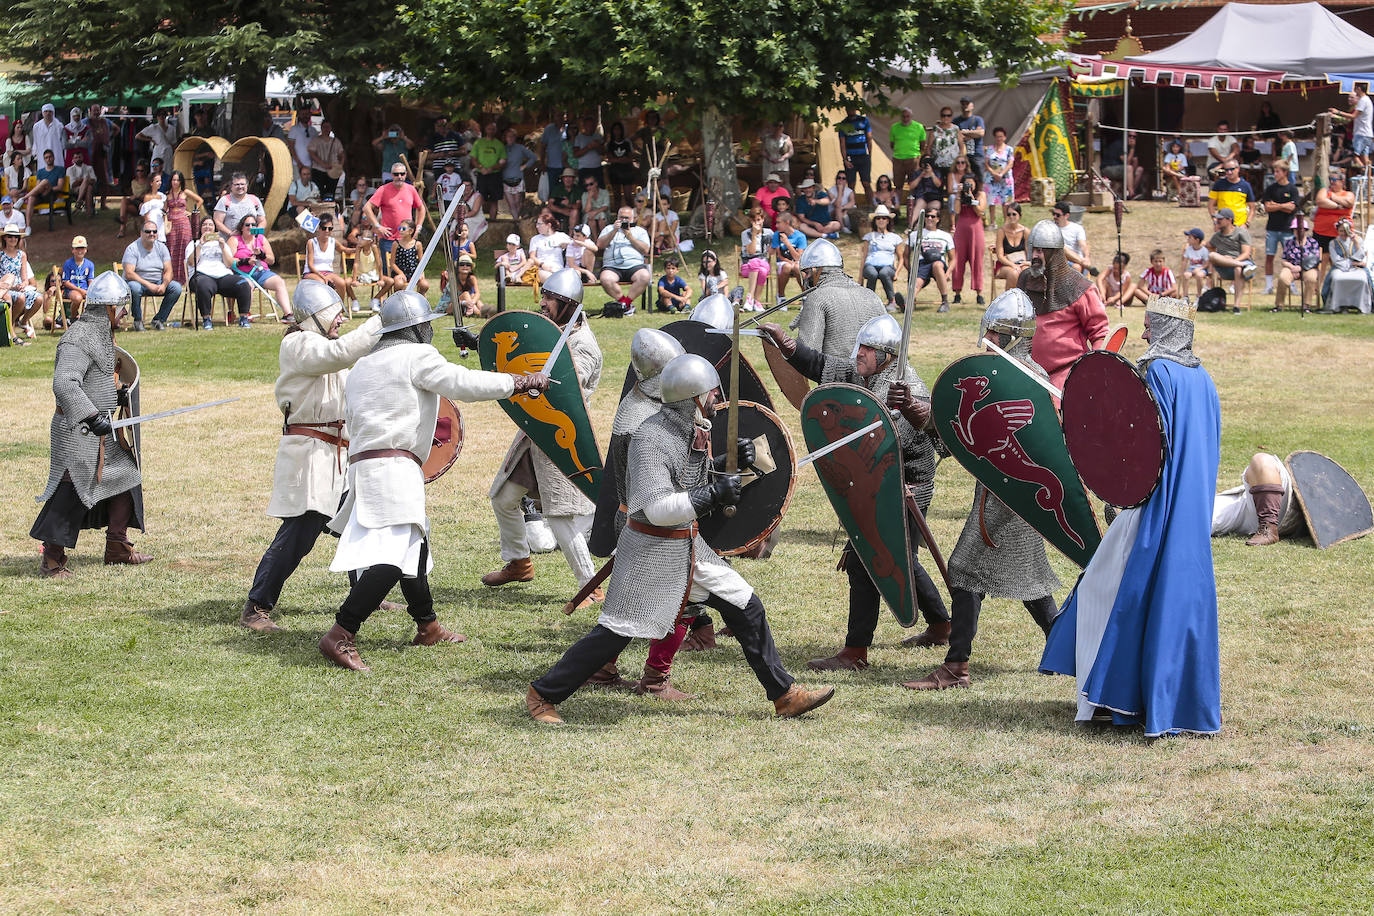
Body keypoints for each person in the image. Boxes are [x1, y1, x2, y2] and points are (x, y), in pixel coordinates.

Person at [524, 352, 835, 724]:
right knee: (616, 634)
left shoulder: (690, 429)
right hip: (651, 550)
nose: (717, 401)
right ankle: (542, 694)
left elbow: (689, 480)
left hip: (688, 546)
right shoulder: (650, 438)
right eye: (712, 394)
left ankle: (784, 695)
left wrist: (730, 460)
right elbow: (657, 507)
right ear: (693, 396)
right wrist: (714, 495)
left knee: (745, 605)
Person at [321, 291, 550, 671]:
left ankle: (427, 626)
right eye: (426, 324)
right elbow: (463, 383)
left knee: (414, 547)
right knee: (394, 557)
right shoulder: (416, 356)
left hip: (366, 466)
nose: (430, 331)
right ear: (415, 328)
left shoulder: (362, 365)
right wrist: (518, 382)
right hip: (393, 467)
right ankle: (341, 632)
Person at [1040, 294, 1222, 737]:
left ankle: (1109, 699)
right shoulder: (1206, 382)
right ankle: (1148, 700)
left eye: (1149, 326)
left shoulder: (1159, 372)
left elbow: (1143, 447)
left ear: (1165, 329)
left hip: (1153, 509)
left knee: (1106, 589)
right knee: (1173, 600)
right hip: (1187, 512)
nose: (1142, 334)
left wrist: (1122, 491)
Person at [761, 315, 952, 666]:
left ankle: (856, 651)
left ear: (889, 355)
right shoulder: (862, 372)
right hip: (877, 483)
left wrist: (907, 407)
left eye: (868, 349)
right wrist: (786, 345)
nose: (859, 354)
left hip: (906, 487)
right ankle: (941, 625)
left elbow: (907, 440)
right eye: (860, 346)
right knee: (900, 561)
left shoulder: (908, 387)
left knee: (867, 561)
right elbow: (821, 365)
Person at [903, 291, 1061, 690]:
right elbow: (962, 434)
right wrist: (915, 412)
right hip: (1003, 489)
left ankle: (957, 666)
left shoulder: (1024, 379)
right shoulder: (1002, 374)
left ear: (1009, 334)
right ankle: (1066, 649)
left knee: (965, 569)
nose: (986, 334)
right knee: (1030, 577)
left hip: (1009, 495)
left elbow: (1032, 442)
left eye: (993, 329)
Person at [240, 282, 385, 632]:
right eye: (335, 315)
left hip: (337, 454)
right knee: (300, 531)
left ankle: (366, 594)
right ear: (317, 316)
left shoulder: (325, 346)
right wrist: (381, 319)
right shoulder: (299, 344)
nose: (341, 321)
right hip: (311, 454)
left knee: (360, 522)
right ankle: (256, 606)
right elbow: (343, 353)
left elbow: (349, 365)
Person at [481, 270, 603, 599]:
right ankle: (519, 563)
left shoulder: (583, 346)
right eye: (544, 296)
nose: (543, 303)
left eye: (550, 298)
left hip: (562, 435)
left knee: (561, 515)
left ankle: (590, 587)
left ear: (567, 305)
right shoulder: (551, 332)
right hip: (534, 433)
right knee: (504, 498)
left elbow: (563, 387)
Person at [30, 272, 152, 576]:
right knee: (73, 487)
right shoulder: (78, 337)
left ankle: (117, 546)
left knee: (127, 473)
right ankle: (52, 559)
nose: (125, 313)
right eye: (122, 307)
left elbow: (95, 380)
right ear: (108, 307)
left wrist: (118, 394)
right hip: (77, 429)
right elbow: (65, 384)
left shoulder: (102, 335)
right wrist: (91, 415)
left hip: (98, 429)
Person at [1017, 219, 1108, 392]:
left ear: (1055, 253)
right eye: (1034, 249)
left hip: (1067, 374)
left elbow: (1100, 334)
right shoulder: (1024, 280)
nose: (1036, 255)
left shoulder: (1079, 287)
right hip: (1028, 372)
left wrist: (1093, 370)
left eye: (1042, 250)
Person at [1212, 454, 1304, 548]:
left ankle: (1268, 525)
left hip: (1283, 498)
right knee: (1200, 518)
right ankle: (1268, 526)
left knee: (1262, 461)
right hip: (1256, 505)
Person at [184, 223, 251, 329]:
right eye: (204, 225)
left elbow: (229, 264)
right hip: (202, 275)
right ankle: (206, 319)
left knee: (243, 284)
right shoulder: (194, 243)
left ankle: (243, 318)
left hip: (222, 276)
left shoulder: (221, 243)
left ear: (214, 229)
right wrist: (200, 245)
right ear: (200, 228)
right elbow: (191, 263)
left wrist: (223, 247)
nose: (207, 227)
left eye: (210, 225)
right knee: (203, 286)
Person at [365, 163, 426, 276]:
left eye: (402, 174)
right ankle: (389, 293)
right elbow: (367, 208)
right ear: (392, 175)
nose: (399, 176)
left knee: (409, 272)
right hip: (389, 238)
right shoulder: (383, 190)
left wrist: (419, 226)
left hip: (407, 239)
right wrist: (378, 226)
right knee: (388, 273)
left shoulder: (411, 189)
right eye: (396, 174)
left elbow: (421, 209)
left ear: (406, 174)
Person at [229, 215, 292, 322]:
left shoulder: (261, 239)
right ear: (242, 227)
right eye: (247, 225)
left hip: (261, 272)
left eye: (253, 225)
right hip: (242, 274)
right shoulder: (234, 240)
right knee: (247, 285)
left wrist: (262, 255)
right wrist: (245, 261)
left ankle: (288, 314)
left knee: (279, 282)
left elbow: (272, 260)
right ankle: (246, 313)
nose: (250, 227)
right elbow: (228, 260)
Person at [121, 220, 181, 332]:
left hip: (157, 282)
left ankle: (158, 320)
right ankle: (138, 321)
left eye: (154, 231)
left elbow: (169, 271)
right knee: (134, 287)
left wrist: (164, 284)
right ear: (141, 233)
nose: (152, 234)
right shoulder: (132, 248)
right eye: (148, 231)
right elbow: (129, 273)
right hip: (138, 283)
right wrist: (149, 285)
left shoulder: (162, 248)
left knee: (176, 288)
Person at [597, 206, 652, 311]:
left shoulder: (640, 231)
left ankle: (625, 304)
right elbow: (600, 245)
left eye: (627, 218)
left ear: (633, 218)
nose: (624, 220)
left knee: (644, 276)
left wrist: (629, 235)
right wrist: (614, 231)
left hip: (634, 266)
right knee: (605, 279)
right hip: (612, 266)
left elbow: (645, 250)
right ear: (617, 217)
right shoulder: (609, 229)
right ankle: (624, 303)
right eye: (621, 217)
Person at [1256, 161, 1299, 294]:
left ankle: (1291, 285)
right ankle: (1268, 286)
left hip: (1287, 229)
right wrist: (1283, 205)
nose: (1275, 174)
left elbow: (1292, 208)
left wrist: (1277, 205)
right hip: (1272, 228)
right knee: (1269, 256)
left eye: (1278, 171)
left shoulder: (1292, 189)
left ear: (1285, 172)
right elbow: (1267, 207)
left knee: (1290, 257)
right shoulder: (1271, 189)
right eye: (1274, 171)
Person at [904, 204, 955, 311]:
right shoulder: (915, 235)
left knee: (937, 265)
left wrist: (948, 273)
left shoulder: (946, 236)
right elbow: (905, 255)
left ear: (938, 219)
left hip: (938, 263)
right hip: (922, 263)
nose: (929, 219)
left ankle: (945, 302)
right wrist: (910, 271)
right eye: (927, 216)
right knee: (916, 284)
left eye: (932, 216)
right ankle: (908, 304)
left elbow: (953, 258)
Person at [949, 171, 987, 306]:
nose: (969, 185)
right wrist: (960, 195)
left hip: (976, 230)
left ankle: (979, 293)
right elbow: (957, 211)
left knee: (977, 261)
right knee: (958, 260)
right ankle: (957, 293)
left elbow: (979, 211)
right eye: (967, 183)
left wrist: (971, 196)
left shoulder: (980, 194)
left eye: (971, 183)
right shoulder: (959, 196)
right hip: (961, 229)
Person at [1207, 207, 1255, 307]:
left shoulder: (1241, 232)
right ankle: (1242, 265)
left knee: (1238, 269)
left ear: (1229, 220)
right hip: (1226, 268)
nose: (1217, 221)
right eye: (1217, 219)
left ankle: (1236, 307)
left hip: (1243, 266)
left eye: (1220, 219)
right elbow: (1207, 245)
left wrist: (1234, 260)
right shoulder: (1217, 236)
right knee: (1212, 255)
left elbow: (1246, 254)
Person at [1321, 218, 1370, 314]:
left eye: (1345, 230)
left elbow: (1361, 257)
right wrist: (1351, 263)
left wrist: (1356, 243)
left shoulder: (1358, 240)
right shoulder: (1333, 243)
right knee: (1336, 278)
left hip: (1357, 268)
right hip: (1340, 267)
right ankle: (1339, 306)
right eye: (1341, 231)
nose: (1343, 233)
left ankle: (1362, 306)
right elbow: (1336, 260)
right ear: (1337, 231)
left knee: (1363, 279)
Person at [1313, 168, 1355, 275]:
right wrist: (1338, 207)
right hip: (1322, 232)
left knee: (1340, 263)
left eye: (1334, 179)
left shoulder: (1348, 194)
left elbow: (1349, 203)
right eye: (1330, 179)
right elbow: (1320, 201)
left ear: (1342, 181)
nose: (1331, 182)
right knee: (1321, 262)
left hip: (1341, 234)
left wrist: (1332, 197)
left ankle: (1340, 286)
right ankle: (1318, 288)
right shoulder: (1324, 191)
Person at [163, 172, 201, 287]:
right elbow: (164, 210)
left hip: (183, 223)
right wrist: (165, 221)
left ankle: (185, 277)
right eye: (173, 180)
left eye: (177, 180)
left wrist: (192, 211)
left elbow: (199, 200)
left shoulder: (185, 192)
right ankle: (171, 276)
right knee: (172, 248)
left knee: (184, 247)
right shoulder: (167, 194)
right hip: (171, 223)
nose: (175, 182)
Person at [860, 205, 902, 310]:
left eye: (884, 218)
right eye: (878, 218)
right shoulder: (869, 237)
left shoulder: (895, 238)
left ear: (888, 221)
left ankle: (891, 301)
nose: (881, 220)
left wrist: (897, 273)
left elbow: (901, 258)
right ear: (875, 221)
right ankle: (869, 302)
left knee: (884, 273)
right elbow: (864, 257)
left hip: (887, 266)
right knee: (872, 274)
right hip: (870, 264)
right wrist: (860, 276)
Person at [1274, 216, 1320, 311]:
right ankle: (1279, 305)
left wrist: (1301, 268)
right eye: (1295, 229)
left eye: (1301, 229)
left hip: (1308, 268)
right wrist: (1291, 267)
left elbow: (1315, 259)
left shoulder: (1313, 242)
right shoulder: (1288, 243)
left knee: (1311, 278)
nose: (1298, 231)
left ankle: (1306, 305)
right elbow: (1283, 260)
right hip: (1291, 267)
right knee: (1282, 278)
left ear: (1305, 230)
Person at [1, 224, 39, 336]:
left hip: (19, 286)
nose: (13, 239)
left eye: (16, 237)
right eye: (10, 236)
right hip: (5, 287)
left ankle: (22, 322)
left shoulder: (22, 255)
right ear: (4, 238)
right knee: (21, 298)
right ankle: (11, 324)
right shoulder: (0, 254)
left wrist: (23, 284)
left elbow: (25, 278)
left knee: (39, 298)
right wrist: (12, 286)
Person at [304, 216, 352, 300]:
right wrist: (322, 276)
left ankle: (339, 309)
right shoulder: (311, 242)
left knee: (341, 283)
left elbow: (344, 250)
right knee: (321, 282)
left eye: (330, 229)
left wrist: (359, 248)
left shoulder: (333, 241)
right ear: (319, 229)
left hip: (328, 272)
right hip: (312, 272)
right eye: (324, 228)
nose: (327, 231)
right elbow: (310, 265)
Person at [1329, 87, 1373, 170]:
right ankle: (1369, 177)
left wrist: (1337, 112)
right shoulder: (1367, 100)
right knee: (1365, 158)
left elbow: (1352, 117)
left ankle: (1365, 173)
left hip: (1361, 133)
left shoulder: (1362, 101)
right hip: (1366, 133)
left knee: (1355, 156)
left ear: (1359, 89)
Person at [837, 105, 874, 201]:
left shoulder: (864, 120)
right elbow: (842, 143)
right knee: (851, 184)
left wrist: (869, 154)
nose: (850, 110)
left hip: (863, 155)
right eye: (848, 108)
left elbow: (869, 138)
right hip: (851, 157)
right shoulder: (843, 124)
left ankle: (871, 205)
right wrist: (845, 159)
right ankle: (852, 206)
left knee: (866, 183)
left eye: (852, 108)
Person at [212, 172, 266, 238]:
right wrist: (230, 233)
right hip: (229, 242)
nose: (240, 187)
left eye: (242, 184)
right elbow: (217, 222)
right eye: (237, 184)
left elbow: (262, 221)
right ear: (231, 186)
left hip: (250, 243)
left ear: (247, 185)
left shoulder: (255, 200)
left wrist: (256, 233)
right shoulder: (224, 201)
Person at [19, 148, 65, 225]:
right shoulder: (40, 171)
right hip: (40, 195)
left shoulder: (60, 169)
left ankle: (23, 198)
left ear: (53, 157)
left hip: (51, 194)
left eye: (50, 157)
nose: (48, 159)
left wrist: (47, 187)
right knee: (31, 198)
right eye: (46, 158)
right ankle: (28, 226)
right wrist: (42, 189)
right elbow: (38, 186)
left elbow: (60, 187)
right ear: (44, 160)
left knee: (45, 181)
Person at [739, 208, 773, 309]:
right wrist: (754, 234)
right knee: (757, 266)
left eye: (758, 220)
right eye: (754, 221)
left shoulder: (769, 233)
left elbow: (772, 250)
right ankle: (755, 301)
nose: (756, 223)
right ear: (751, 221)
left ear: (763, 219)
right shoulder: (745, 234)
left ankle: (750, 299)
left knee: (759, 265)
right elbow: (751, 251)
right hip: (747, 266)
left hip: (763, 262)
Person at [889, 108, 926, 199]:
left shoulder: (919, 127)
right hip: (898, 159)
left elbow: (922, 144)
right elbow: (892, 144)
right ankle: (896, 207)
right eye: (903, 116)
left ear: (911, 117)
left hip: (913, 159)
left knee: (914, 184)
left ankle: (913, 206)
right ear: (900, 117)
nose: (905, 119)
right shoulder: (894, 127)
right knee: (898, 185)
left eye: (907, 116)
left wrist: (916, 155)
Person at [1208, 160, 1255, 229]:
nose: (1229, 172)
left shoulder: (1246, 186)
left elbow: (1252, 208)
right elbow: (1210, 205)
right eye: (1226, 170)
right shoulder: (1218, 184)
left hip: (1240, 226)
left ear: (1238, 169)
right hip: (1223, 226)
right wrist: (1215, 221)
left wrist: (1246, 224)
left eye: (1232, 169)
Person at [387, 220, 430, 296]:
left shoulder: (417, 244)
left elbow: (422, 262)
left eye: (403, 229)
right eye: (399, 228)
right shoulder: (396, 244)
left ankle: (418, 299)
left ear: (411, 231)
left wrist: (421, 273)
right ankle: (399, 299)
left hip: (413, 272)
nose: (400, 230)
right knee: (399, 284)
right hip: (399, 272)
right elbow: (392, 263)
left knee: (424, 285)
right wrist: (400, 273)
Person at [306, 121, 345, 200]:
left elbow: (342, 154)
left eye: (328, 127)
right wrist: (322, 164)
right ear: (321, 128)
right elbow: (311, 153)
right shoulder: (316, 140)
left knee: (331, 193)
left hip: (332, 170)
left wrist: (339, 166)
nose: (326, 129)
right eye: (324, 127)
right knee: (318, 192)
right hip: (318, 170)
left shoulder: (336, 141)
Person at [994, 202, 1029, 290]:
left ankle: (1026, 300)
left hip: (1022, 262)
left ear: (1020, 215)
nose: (1011, 217)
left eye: (1014, 214)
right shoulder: (1001, 231)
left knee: (1026, 272)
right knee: (1013, 273)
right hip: (1005, 264)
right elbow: (1000, 256)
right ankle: (1009, 301)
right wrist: (1013, 265)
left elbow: (1030, 253)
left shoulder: (1025, 232)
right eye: (1009, 214)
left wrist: (1027, 263)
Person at [59, 235, 94, 323]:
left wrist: (90, 291)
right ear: (73, 250)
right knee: (77, 298)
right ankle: (73, 317)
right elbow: (65, 282)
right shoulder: (68, 263)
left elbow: (90, 280)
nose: (80, 251)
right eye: (77, 248)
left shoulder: (90, 264)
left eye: (82, 248)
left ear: (86, 249)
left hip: (85, 289)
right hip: (71, 290)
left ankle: (91, 320)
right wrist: (80, 290)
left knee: (96, 298)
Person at [528, 212, 572, 283]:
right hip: (543, 269)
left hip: (558, 269)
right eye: (537, 224)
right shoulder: (535, 239)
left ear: (548, 225)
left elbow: (576, 244)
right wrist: (542, 265)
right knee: (549, 278)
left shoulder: (561, 236)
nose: (537, 226)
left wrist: (567, 244)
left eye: (539, 224)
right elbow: (532, 257)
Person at [772, 212, 807, 298]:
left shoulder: (800, 236)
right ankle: (781, 296)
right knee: (787, 266)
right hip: (783, 262)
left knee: (797, 267)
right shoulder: (776, 235)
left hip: (797, 263)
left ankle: (805, 296)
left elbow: (798, 257)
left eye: (779, 222)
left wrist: (787, 243)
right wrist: (789, 262)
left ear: (787, 222)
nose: (776, 225)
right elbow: (779, 256)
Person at [603, 121, 638, 208]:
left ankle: (632, 214)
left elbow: (630, 158)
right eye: (615, 129)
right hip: (614, 172)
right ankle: (617, 216)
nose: (617, 132)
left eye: (618, 129)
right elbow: (610, 159)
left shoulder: (627, 142)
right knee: (617, 196)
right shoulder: (609, 144)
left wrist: (617, 160)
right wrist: (621, 159)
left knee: (628, 196)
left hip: (627, 171)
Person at [983, 127, 1014, 221]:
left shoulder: (1009, 149)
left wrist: (1001, 174)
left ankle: (1006, 221)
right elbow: (986, 163)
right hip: (992, 178)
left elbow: (1010, 163)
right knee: (992, 201)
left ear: (1004, 137)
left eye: (1001, 136)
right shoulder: (989, 149)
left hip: (1005, 178)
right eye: (997, 137)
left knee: (1006, 202)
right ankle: (993, 221)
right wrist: (993, 173)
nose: (999, 139)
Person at [117, 162, 152, 239]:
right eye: (137, 170)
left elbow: (149, 195)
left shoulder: (149, 182)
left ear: (145, 171)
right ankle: (122, 226)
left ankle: (122, 225)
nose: (139, 172)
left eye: (141, 170)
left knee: (127, 204)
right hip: (134, 203)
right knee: (124, 200)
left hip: (143, 204)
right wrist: (133, 197)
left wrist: (137, 196)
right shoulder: (133, 182)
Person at [136, 111, 178, 175]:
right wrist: (150, 139)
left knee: (168, 170)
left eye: (163, 115)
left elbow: (174, 142)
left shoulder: (172, 128)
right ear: (157, 117)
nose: (161, 117)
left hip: (168, 153)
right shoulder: (153, 127)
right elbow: (138, 136)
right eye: (159, 115)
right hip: (158, 151)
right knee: (155, 170)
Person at [954, 97, 986, 179]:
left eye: (967, 104)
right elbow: (956, 136)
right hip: (962, 155)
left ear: (972, 105)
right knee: (963, 179)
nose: (965, 106)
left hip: (977, 155)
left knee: (980, 179)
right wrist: (973, 133)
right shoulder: (956, 121)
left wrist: (965, 132)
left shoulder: (978, 120)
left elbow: (981, 133)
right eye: (963, 104)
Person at [907, 157, 944, 226]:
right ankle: (911, 226)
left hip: (934, 197)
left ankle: (932, 226)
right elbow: (911, 186)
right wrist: (921, 176)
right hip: (921, 197)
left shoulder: (936, 173)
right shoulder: (917, 173)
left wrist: (931, 173)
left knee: (935, 207)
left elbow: (938, 184)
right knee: (919, 205)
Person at [929, 107, 961, 186]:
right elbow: (929, 147)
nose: (946, 117)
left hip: (952, 164)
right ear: (940, 116)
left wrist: (960, 160)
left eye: (948, 115)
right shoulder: (935, 129)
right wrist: (929, 162)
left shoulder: (956, 129)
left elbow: (962, 146)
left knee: (951, 187)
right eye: (943, 115)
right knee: (938, 188)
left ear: (951, 116)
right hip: (937, 164)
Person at [572, 116, 604, 187]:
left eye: (592, 125)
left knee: (599, 190)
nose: (590, 127)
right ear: (584, 126)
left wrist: (597, 147)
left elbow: (603, 152)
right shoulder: (579, 138)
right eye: (588, 125)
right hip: (584, 168)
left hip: (597, 167)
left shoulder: (598, 136)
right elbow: (576, 154)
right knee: (585, 190)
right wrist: (588, 147)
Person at [762, 120, 794, 190]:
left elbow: (791, 151)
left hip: (782, 165)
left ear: (783, 128)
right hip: (769, 164)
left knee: (784, 184)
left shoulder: (786, 138)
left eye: (780, 126)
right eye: (776, 126)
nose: (778, 128)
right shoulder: (766, 138)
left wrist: (783, 158)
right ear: (772, 127)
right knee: (768, 183)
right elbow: (762, 151)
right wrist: (769, 158)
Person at [31, 104, 66, 168]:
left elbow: (63, 143)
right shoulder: (37, 126)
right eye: (46, 111)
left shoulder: (59, 126)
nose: (48, 113)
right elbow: (35, 141)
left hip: (56, 154)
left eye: (50, 111)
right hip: (42, 154)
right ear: (42, 113)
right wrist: (34, 152)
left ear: (53, 112)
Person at [1180, 227, 1211, 299]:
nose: (1188, 239)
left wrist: (1200, 268)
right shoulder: (1188, 249)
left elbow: (1206, 263)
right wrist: (1182, 271)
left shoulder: (1204, 250)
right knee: (1186, 275)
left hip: (1201, 269)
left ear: (1197, 240)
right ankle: (1185, 296)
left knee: (1199, 275)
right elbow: (1185, 261)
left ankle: (1199, 296)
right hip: (1191, 269)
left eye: (1190, 237)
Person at [67, 149, 96, 215]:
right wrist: (85, 180)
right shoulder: (70, 169)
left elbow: (94, 180)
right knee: (87, 183)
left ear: (82, 158)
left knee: (89, 187)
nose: (78, 159)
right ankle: (88, 211)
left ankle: (79, 203)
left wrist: (81, 180)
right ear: (73, 159)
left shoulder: (89, 168)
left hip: (89, 188)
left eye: (79, 157)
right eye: (76, 158)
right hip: (75, 189)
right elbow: (73, 184)